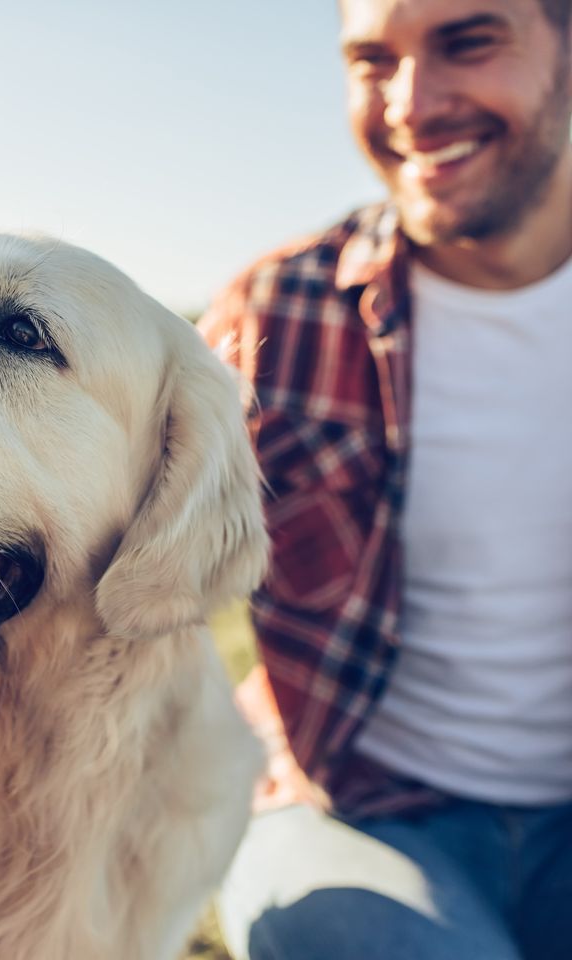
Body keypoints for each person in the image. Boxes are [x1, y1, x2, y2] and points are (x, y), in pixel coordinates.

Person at [200, 1, 572, 958]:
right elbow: (87, 548)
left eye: (468, 41)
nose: (413, 102)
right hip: (350, 809)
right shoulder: (278, 313)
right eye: (373, 60)